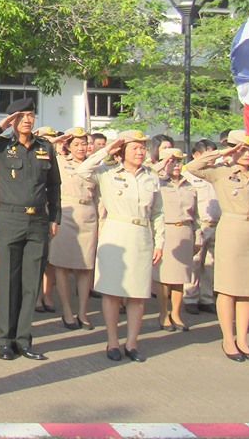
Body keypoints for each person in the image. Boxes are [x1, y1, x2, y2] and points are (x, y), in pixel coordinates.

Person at [0, 98, 61, 362]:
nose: (27, 120)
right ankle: (5, 340)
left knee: (31, 284)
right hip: (10, 219)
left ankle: (23, 339)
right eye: (21, 115)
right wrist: (0, 125)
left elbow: (54, 185)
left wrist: (55, 217)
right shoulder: (1, 146)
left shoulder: (45, 148)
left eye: (30, 115)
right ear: (13, 120)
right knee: (7, 281)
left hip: (38, 221)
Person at [186, 132, 249, 362]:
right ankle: (228, 339)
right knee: (228, 289)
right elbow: (192, 166)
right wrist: (222, 153)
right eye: (243, 149)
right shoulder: (222, 171)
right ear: (233, 148)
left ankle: (243, 340)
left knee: (247, 290)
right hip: (231, 230)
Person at [77, 130, 163, 362]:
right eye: (134, 147)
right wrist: (106, 151)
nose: (140, 151)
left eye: (142, 147)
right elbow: (82, 170)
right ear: (122, 151)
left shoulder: (151, 176)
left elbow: (158, 213)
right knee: (112, 293)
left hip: (142, 235)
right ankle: (112, 341)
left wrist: (160, 242)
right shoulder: (107, 173)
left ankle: (132, 342)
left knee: (138, 294)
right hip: (116, 234)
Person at [48, 127, 99, 331]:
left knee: (85, 268)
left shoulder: (95, 166)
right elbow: (41, 151)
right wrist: (58, 141)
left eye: (84, 143)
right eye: (76, 144)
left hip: (88, 215)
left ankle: (83, 312)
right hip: (65, 214)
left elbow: (101, 198)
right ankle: (67, 311)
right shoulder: (60, 162)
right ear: (68, 146)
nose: (81, 148)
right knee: (61, 265)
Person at [154, 147, 200, 332]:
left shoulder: (189, 185)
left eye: (179, 161)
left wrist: (198, 237)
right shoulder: (158, 183)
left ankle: (176, 313)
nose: (176, 165)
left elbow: (195, 215)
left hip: (185, 232)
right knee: (164, 278)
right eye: (171, 161)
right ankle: (163, 313)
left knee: (180, 278)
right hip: (166, 231)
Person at [183, 138, 220, 315]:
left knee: (211, 264)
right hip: (199, 224)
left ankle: (207, 298)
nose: (211, 158)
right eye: (208, 154)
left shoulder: (216, 173)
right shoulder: (188, 174)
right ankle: (190, 297)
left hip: (216, 223)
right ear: (196, 155)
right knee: (195, 262)